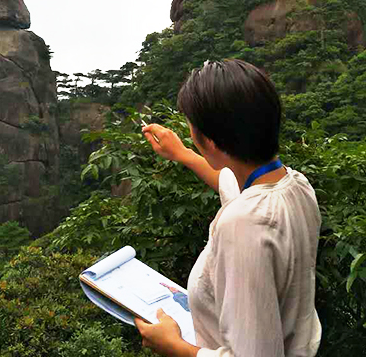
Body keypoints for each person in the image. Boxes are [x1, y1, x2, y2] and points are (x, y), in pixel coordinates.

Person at [134, 59, 321, 357]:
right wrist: (182, 154)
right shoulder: (296, 186)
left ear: (209, 141)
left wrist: (175, 347)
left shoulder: (243, 224)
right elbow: (234, 185)